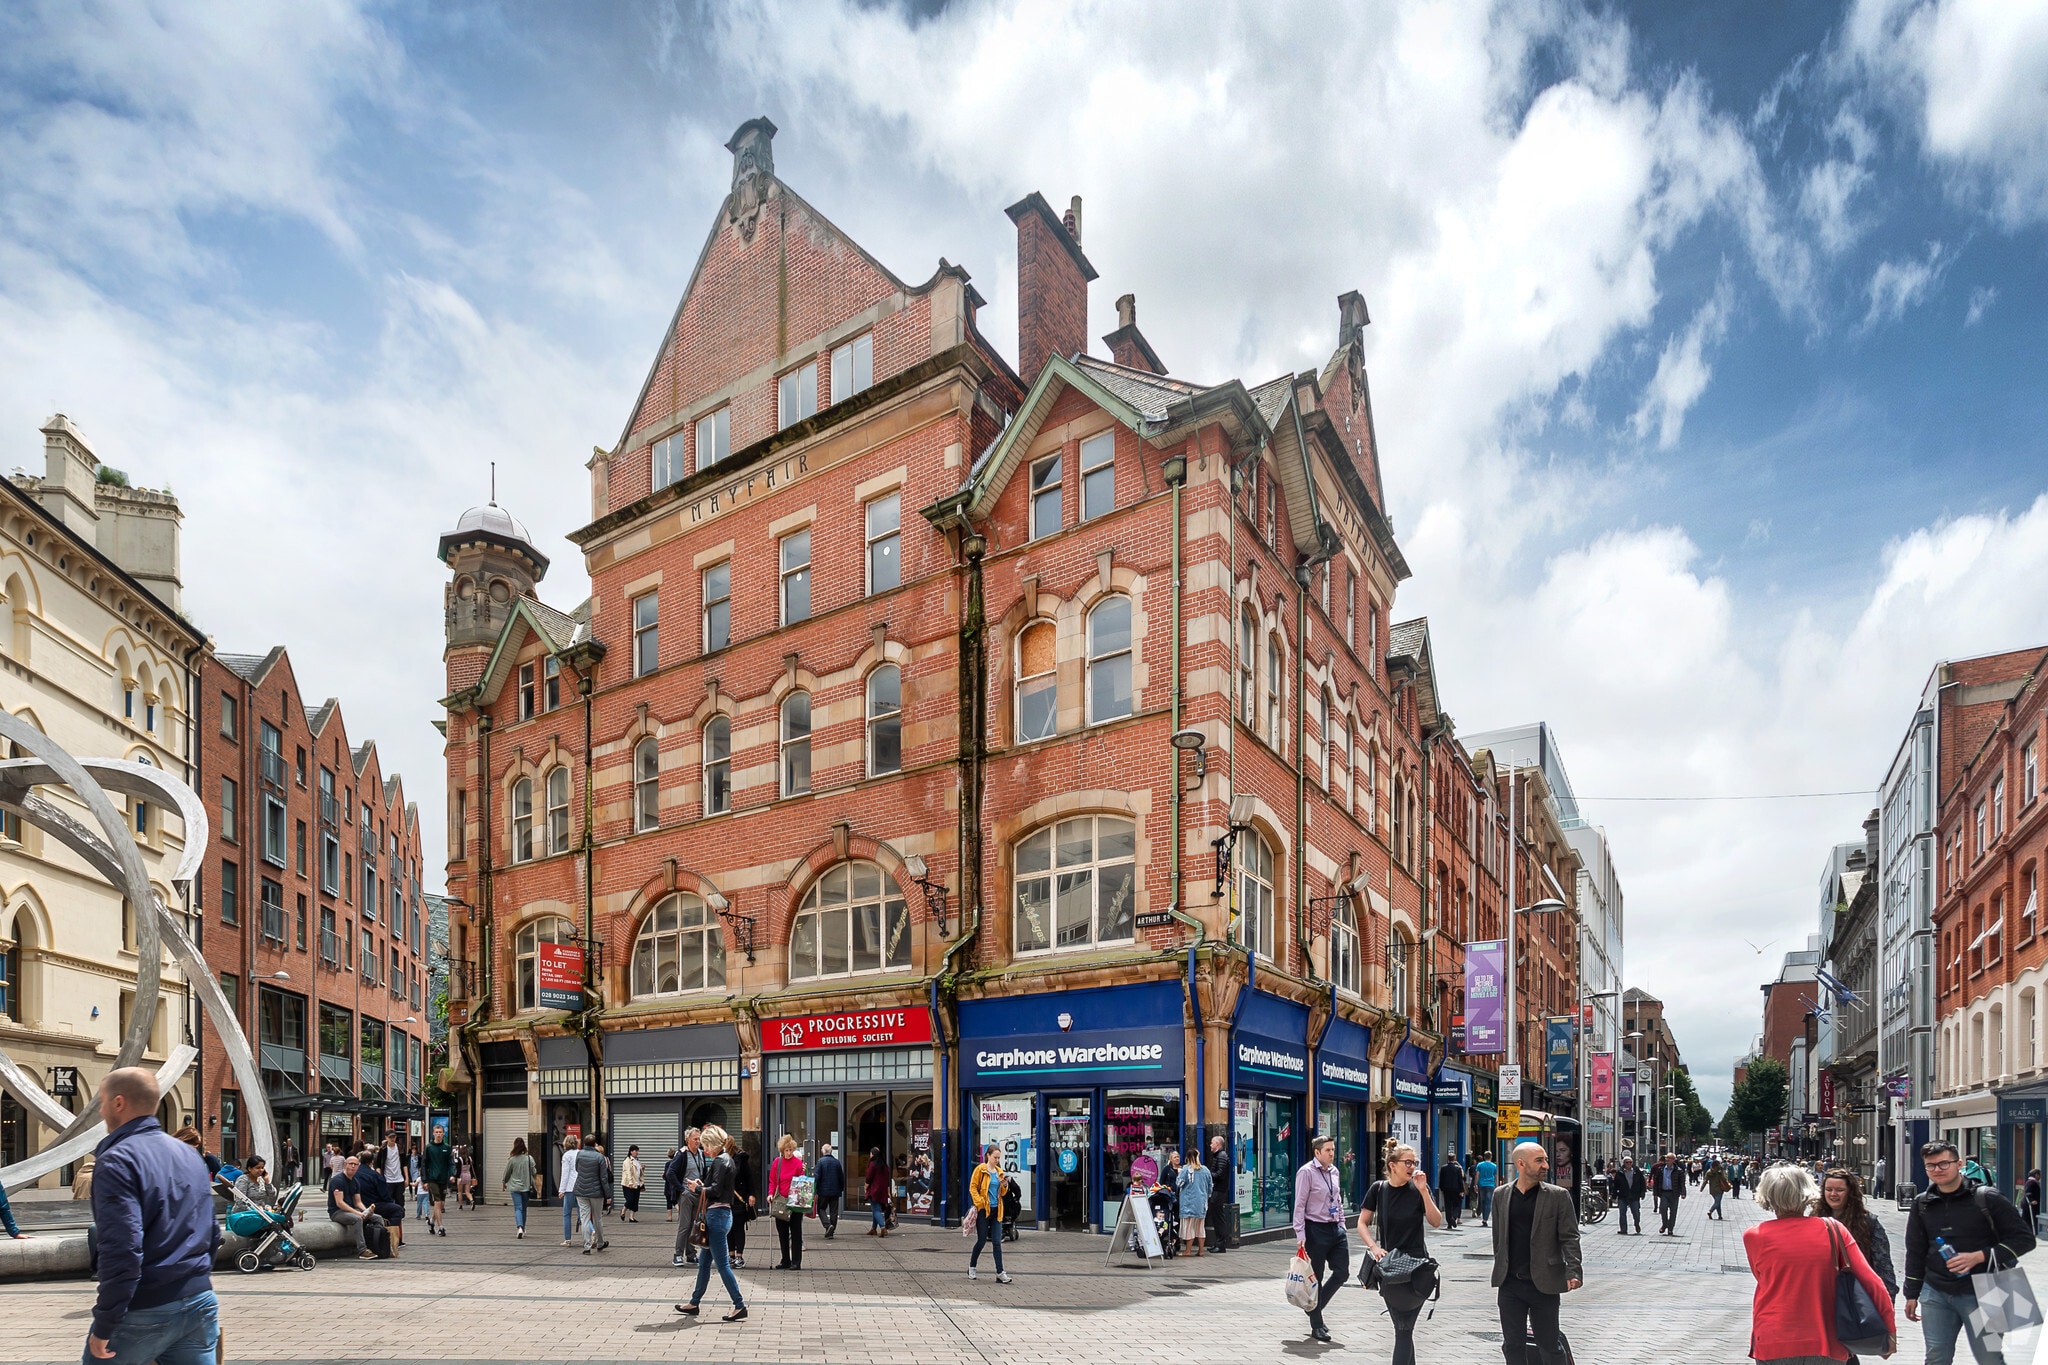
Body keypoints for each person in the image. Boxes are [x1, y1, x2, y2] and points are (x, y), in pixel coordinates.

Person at [82, 1068, 217, 1365]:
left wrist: (105, 1323)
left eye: (102, 1102)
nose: (101, 1111)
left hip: (144, 1308)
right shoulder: (190, 1156)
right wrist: (194, 1280)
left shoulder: (117, 1161)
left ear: (118, 1103)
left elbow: (123, 1249)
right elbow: (211, 1230)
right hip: (199, 1301)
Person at [1904, 1139, 2037, 1365]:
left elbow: (2024, 1240)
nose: (1937, 1169)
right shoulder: (1922, 1203)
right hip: (1936, 1291)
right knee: (1936, 1357)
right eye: (1931, 1165)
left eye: (1944, 1164)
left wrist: (1980, 1256)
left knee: (1989, 1359)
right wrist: (1911, 1293)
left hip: (1986, 1289)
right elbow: (1916, 1249)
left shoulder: (1987, 1197)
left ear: (1959, 1164)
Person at [1746, 1163, 1894, 1364]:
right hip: (1827, 1339)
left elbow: (1763, 1278)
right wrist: (1889, 1331)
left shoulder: (1754, 1236)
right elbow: (1873, 1283)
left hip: (1773, 1338)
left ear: (1767, 1195)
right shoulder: (1833, 1229)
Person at [1490, 1140, 1582, 1365]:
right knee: (1512, 1345)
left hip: (1544, 1283)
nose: (1546, 1166)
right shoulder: (1501, 1195)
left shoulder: (1557, 1196)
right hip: (1510, 1283)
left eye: (1546, 1160)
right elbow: (1498, 1238)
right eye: (1539, 1160)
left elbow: (1569, 1236)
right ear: (1521, 1164)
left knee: (1549, 1345)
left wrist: (1573, 1270)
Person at [1361, 1141, 1445, 1365]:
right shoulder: (1379, 1189)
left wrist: (1424, 1191)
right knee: (1403, 1329)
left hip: (1418, 1269)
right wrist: (1374, 1247)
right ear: (1392, 1165)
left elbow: (1436, 1222)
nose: (1412, 1166)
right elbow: (1362, 1222)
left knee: (1404, 1330)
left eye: (1414, 1162)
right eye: (1407, 1162)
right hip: (1390, 1269)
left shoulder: (1418, 1190)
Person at [673, 1125, 747, 1323]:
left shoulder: (721, 1161)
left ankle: (739, 1305)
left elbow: (714, 1190)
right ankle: (694, 1302)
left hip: (717, 1217)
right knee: (704, 1264)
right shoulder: (725, 1160)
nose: (704, 1149)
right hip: (720, 1215)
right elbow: (716, 1187)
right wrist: (701, 1185)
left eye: (706, 1145)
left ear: (713, 1143)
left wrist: (698, 1188)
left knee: (722, 1265)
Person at [1292, 1134, 1350, 1344]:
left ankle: (1314, 1308)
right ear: (1317, 1152)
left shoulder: (1334, 1171)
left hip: (1335, 1228)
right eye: (1328, 1150)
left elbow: (1337, 1199)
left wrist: (1342, 1225)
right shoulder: (1306, 1172)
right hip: (1315, 1229)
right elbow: (1299, 1205)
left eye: (1333, 1149)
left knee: (1342, 1272)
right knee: (1316, 1277)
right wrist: (1300, 1234)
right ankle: (1317, 1324)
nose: (1332, 1153)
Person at [1822, 1169, 1898, 1308]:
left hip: (1857, 1298)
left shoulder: (1868, 1222)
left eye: (1839, 1190)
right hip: (1823, 1297)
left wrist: (1887, 1303)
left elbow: (1883, 1266)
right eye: (1829, 1189)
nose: (1833, 1194)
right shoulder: (1815, 1221)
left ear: (1850, 1193)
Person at [966, 1142, 1013, 1282]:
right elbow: (972, 1187)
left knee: (997, 1242)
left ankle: (1000, 1272)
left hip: (997, 1210)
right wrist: (980, 1202)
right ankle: (972, 1267)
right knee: (981, 1241)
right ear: (988, 1156)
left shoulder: (999, 1172)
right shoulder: (980, 1170)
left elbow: (1002, 1193)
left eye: (999, 1158)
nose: (997, 1160)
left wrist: (1005, 1186)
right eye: (995, 1157)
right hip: (983, 1210)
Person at [327, 1155, 383, 1260]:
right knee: (357, 1219)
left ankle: (377, 1244)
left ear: (358, 1166)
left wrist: (367, 1211)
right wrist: (357, 1213)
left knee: (377, 1218)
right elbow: (339, 1203)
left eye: (355, 1164)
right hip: (337, 1212)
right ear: (345, 1165)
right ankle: (362, 1250)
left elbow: (358, 1202)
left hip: (351, 1211)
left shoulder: (355, 1181)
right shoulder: (337, 1180)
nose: (353, 1166)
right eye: (350, 1164)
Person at [352, 1149, 406, 1250]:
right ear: (372, 1161)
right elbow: (385, 1195)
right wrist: (389, 1202)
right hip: (373, 1205)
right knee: (397, 1210)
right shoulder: (375, 1175)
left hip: (356, 1205)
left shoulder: (354, 1174)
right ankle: (391, 1238)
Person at [767, 1135, 806, 1270]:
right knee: (782, 1233)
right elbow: (772, 1180)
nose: (789, 1153)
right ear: (782, 1151)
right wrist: (770, 1194)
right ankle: (785, 1260)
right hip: (781, 1201)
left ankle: (796, 1261)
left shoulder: (798, 1163)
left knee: (796, 1233)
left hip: (794, 1202)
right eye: (786, 1150)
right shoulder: (777, 1162)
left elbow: (802, 1182)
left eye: (790, 1150)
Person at [669, 1130, 704, 1266]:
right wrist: (681, 1189)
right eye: (694, 1139)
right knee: (684, 1225)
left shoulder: (700, 1153)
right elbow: (670, 1173)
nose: (697, 1141)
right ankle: (678, 1254)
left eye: (698, 1139)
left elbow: (703, 1172)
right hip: (686, 1195)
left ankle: (691, 1254)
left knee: (694, 1225)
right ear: (687, 1140)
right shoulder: (682, 1155)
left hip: (698, 1193)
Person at [572, 1138, 611, 1254]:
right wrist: (608, 1194)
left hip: (581, 1190)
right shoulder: (600, 1157)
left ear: (584, 1143)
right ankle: (600, 1243)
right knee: (597, 1218)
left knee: (584, 1218)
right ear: (595, 1144)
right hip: (596, 1192)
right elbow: (604, 1178)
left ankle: (587, 1246)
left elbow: (577, 1169)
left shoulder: (580, 1154)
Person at [1177, 1147, 1213, 1256]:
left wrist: (1179, 1175)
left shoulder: (1186, 1170)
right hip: (1201, 1203)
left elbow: (1179, 1184)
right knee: (1200, 1227)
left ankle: (1187, 1251)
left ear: (1187, 1158)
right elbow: (1210, 1186)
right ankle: (1201, 1251)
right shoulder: (1205, 1170)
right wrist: (1207, 1196)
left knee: (1189, 1227)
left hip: (1189, 1203)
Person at [502, 1137, 538, 1239]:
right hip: (526, 1187)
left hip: (514, 1187)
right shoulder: (529, 1158)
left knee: (518, 1207)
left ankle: (520, 1227)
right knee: (524, 1208)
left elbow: (507, 1173)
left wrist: (504, 1182)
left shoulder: (512, 1160)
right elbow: (534, 1172)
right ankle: (523, 1227)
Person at [420, 1125, 453, 1237]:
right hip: (432, 1179)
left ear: (443, 1134)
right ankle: (441, 1227)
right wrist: (425, 1180)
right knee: (437, 1202)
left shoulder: (447, 1148)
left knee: (441, 1205)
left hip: (443, 1179)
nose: (438, 1134)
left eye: (440, 1132)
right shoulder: (429, 1148)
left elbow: (450, 1163)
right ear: (433, 1134)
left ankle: (431, 1222)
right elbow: (424, 1164)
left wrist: (452, 1174)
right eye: (436, 1132)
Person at [729, 1145, 757, 1267]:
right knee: (728, 1228)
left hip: (739, 1198)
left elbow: (749, 1178)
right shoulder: (722, 1159)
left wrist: (751, 1194)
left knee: (738, 1227)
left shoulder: (741, 1160)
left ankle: (739, 1256)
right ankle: (731, 1255)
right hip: (727, 1199)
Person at [1206, 1134, 1233, 1252]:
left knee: (1218, 1217)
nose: (1210, 1145)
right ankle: (1218, 1243)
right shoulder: (1219, 1156)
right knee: (1217, 1217)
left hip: (1219, 1190)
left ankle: (1221, 1244)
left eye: (1212, 1143)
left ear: (1217, 1144)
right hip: (1218, 1190)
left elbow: (1220, 1174)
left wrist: (1208, 1175)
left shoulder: (1221, 1156)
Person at [814, 1142, 846, 1240]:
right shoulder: (837, 1162)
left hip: (823, 1191)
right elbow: (841, 1177)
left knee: (821, 1209)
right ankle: (831, 1231)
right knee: (834, 1211)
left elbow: (817, 1177)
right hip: (835, 1191)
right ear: (831, 1151)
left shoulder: (820, 1161)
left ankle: (828, 1226)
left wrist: (814, 1189)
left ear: (823, 1151)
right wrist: (841, 1188)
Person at [1652, 1151, 1687, 1235]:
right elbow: (1656, 1182)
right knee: (1663, 1209)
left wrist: (1683, 1192)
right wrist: (1655, 1193)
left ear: (1673, 1160)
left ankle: (1670, 1228)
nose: (1667, 1160)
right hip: (1663, 1192)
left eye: (1669, 1158)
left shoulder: (1678, 1171)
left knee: (1673, 1211)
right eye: (1666, 1158)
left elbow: (1682, 1183)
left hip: (1674, 1193)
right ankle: (1664, 1224)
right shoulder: (1660, 1169)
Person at [1611, 1154, 1647, 1236]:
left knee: (1636, 1213)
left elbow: (1642, 1182)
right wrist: (1614, 1195)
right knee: (1622, 1213)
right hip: (1623, 1196)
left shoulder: (1636, 1171)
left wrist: (1642, 1192)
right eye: (1627, 1162)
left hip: (1634, 1195)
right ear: (1624, 1163)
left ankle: (1637, 1224)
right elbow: (1615, 1185)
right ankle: (1623, 1229)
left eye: (1630, 1162)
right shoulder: (1619, 1173)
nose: (1629, 1164)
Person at [558, 1137, 583, 1246]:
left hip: (569, 1188)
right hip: (581, 1186)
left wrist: (561, 1190)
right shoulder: (581, 1153)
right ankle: (592, 1232)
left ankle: (568, 1240)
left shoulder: (566, 1156)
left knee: (567, 1214)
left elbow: (565, 1174)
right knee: (582, 1213)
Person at [863, 1146, 891, 1237]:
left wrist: (866, 1187)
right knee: (876, 1209)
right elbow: (887, 1180)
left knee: (876, 1209)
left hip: (874, 1190)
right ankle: (873, 1228)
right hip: (882, 1190)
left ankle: (883, 1228)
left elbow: (869, 1177)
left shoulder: (872, 1164)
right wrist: (888, 1191)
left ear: (872, 1154)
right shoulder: (884, 1165)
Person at [1437, 1153, 1467, 1231]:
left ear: (1448, 1158)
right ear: (1454, 1158)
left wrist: (1442, 1189)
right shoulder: (1457, 1168)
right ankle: (1453, 1217)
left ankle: (1449, 1223)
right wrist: (1461, 1190)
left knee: (1448, 1206)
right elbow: (1460, 1180)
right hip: (1456, 1190)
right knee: (1456, 1205)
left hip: (1446, 1189)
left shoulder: (1443, 1168)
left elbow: (1441, 1180)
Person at [621, 1145, 645, 1223]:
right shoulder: (627, 1161)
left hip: (637, 1183)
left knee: (635, 1200)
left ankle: (631, 1217)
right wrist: (630, 1182)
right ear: (631, 1151)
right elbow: (628, 1172)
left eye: (637, 1151)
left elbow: (638, 1172)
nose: (637, 1153)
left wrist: (642, 1168)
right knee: (630, 1199)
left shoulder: (637, 1161)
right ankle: (623, 1210)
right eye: (635, 1151)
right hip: (629, 1184)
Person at [1475, 1151, 1499, 1228]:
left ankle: (1483, 1217)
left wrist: (1475, 1184)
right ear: (1491, 1157)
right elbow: (1496, 1176)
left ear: (1484, 1157)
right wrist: (1497, 1185)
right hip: (1490, 1185)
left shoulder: (1479, 1165)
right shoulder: (1494, 1166)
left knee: (1482, 1201)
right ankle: (1485, 1219)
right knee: (1488, 1202)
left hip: (1481, 1185)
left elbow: (1477, 1175)